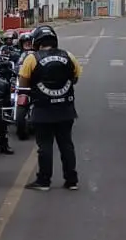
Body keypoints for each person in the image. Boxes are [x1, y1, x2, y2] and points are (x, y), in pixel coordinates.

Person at [19, 23, 82, 191]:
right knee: (66, 144)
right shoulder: (68, 56)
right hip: (66, 109)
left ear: (36, 41)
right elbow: (75, 78)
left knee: (45, 146)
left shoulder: (31, 59)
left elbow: (23, 82)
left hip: (42, 109)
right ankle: (72, 180)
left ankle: (44, 180)